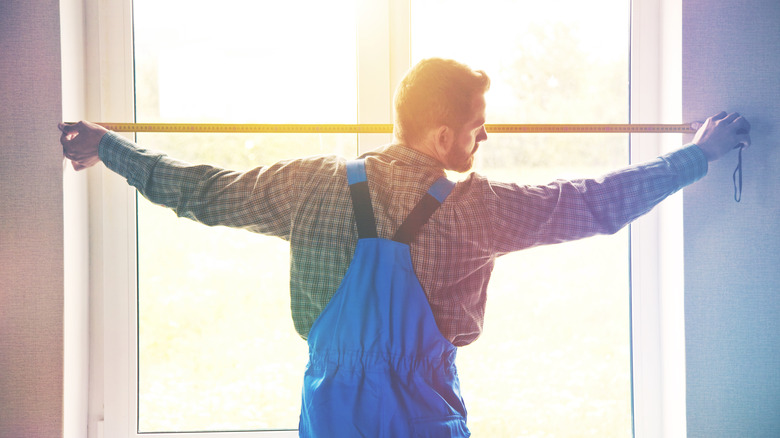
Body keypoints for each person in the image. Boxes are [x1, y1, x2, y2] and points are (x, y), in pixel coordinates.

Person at [61, 58, 751, 437]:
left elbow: (201, 191)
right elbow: (593, 203)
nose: (484, 141)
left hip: (330, 420)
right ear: (443, 136)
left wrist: (109, 147)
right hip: (425, 423)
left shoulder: (310, 184)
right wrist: (698, 156)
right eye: (477, 128)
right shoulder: (476, 208)